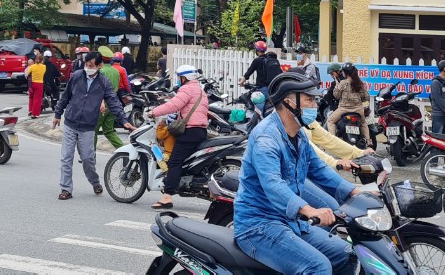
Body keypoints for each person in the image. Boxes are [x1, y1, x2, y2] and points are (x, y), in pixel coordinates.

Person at [234, 72, 362, 275]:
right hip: (259, 226)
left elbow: (318, 169)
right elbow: (272, 184)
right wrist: (309, 210)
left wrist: (356, 193)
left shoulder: (298, 133)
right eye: (309, 99)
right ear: (289, 103)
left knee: (346, 254)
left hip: (288, 222)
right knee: (318, 267)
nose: (315, 104)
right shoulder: (266, 139)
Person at [53, 52, 134, 200]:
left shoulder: (104, 82)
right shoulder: (77, 76)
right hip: (70, 122)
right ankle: (66, 189)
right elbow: (66, 96)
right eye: (86, 65)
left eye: (90, 66)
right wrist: (58, 114)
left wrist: (123, 120)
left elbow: (113, 101)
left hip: (88, 126)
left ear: (99, 66)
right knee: (66, 158)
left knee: (87, 159)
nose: (87, 68)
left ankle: (95, 182)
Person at [149, 64, 211, 210]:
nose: (178, 80)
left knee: (174, 162)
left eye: (179, 78)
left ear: (185, 78)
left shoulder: (187, 89)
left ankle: (167, 196)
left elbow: (173, 105)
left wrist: (154, 112)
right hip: (200, 130)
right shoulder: (201, 91)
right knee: (185, 159)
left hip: (190, 131)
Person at [325, 62, 370, 144]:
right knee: (363, 123)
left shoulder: (343, 83)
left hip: (344, 110)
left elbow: (336, 95)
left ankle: (333, 142)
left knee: (330, 121)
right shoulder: (360, 83)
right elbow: (366, 97)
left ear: (345, 73)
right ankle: (369, 142)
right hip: (358, 110)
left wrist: (337, 85)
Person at [96, 50, 130, 148]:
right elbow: (122, 85)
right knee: (109, 130)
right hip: (113, 103)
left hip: (102, 104)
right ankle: (123, 151)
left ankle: (90, 155)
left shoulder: (100, 72)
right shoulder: (116, 71)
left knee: (94, 130)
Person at [25, 51, 47, 118]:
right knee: (37, 99)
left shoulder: (32, 66)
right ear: (42, 60)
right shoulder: (44, 67)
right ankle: (34, 114)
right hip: (39, 84)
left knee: (31, 97)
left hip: (31, 84)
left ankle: (30, 110)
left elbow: (27, 74)